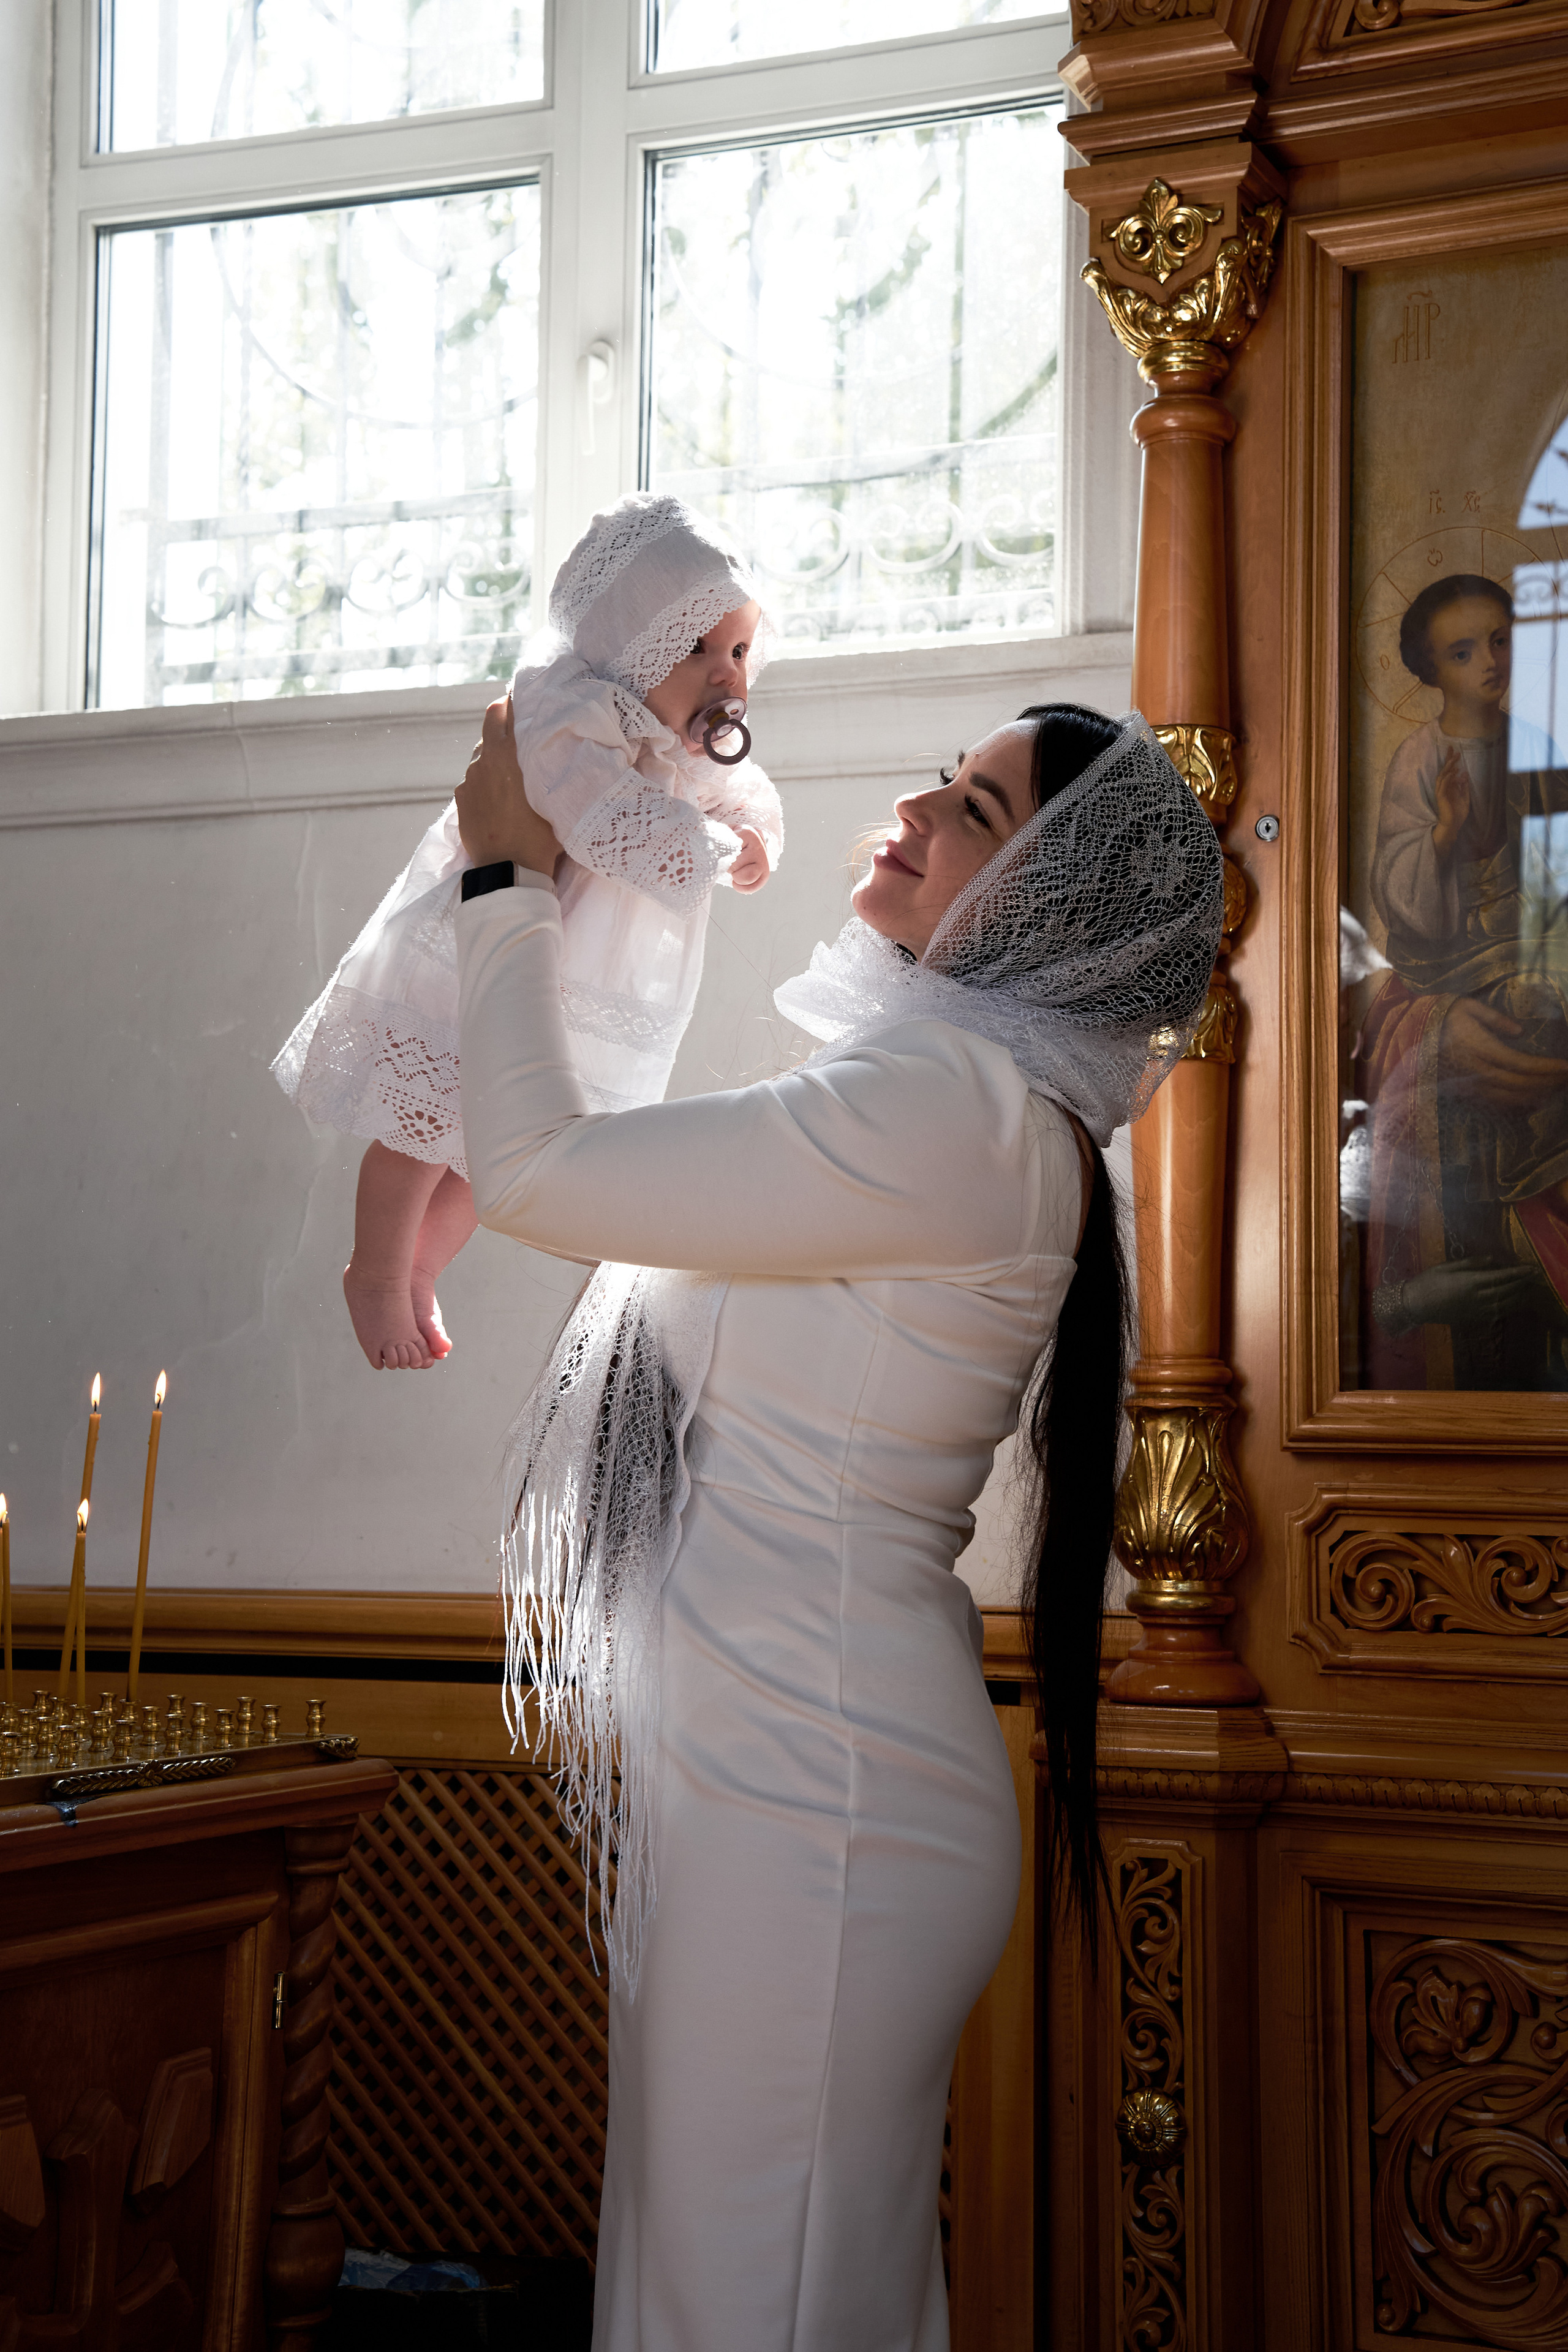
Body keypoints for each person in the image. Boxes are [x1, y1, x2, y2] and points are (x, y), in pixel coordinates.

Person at [450, 690, 1221, 2352]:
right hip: (786, 1785)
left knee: (753, 2310)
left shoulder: (953, 1111)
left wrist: (504, 874)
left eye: (982, 811)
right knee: (732, 2301)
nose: (923, 809)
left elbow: (536, 1173)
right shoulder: (949, 1098)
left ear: (1050, 908)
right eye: (946, 778)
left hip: (822, 1804)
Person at [271, 494, 784, 1371]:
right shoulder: (570, 702)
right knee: (422, 1121)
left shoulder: (687, 738)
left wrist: (757, 839)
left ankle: (424, 1265)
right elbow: (594, 814)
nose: (726, 673)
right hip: (496, 935)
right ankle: (378, 1266)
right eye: (696, 648)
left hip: (577, 975)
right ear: (627, 640)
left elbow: (746, 793)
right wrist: (705, 844)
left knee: (504, 1143)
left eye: (738, 649)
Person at [1359, 573, 1568, 1384]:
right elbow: (1398, 895)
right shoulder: (1421, 756)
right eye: (1463, 650)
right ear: (1429, 669)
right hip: (1450, 962)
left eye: (1501, 639)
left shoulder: (1540, 744)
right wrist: (1445, 834)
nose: (1490, 661)